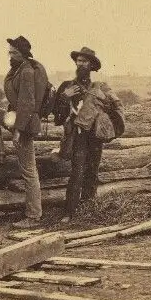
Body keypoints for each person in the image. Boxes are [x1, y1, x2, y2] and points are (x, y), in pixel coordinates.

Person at [52, 47, 122, 222]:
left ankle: (89, 208)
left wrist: (103, 108)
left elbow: (115, 109)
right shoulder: (67, 86)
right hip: (77, 135)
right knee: (77, 171)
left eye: (84, 61)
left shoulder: (101, 88)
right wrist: (64, 97)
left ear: (91, 65)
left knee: (92, 171)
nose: (80, 64)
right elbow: (58, 117)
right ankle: (69, 212)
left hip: (95, 136)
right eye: (79, 61)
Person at [2, 35, 52, 230]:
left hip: (26, 125)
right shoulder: (18, 70)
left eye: (14, 53)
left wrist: (18, 131)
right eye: (9, 52)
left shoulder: (26, 72)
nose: (10, 55)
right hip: (21, 121)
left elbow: (27, 103)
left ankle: (33, 215)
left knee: (29, 171)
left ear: (22, 54)